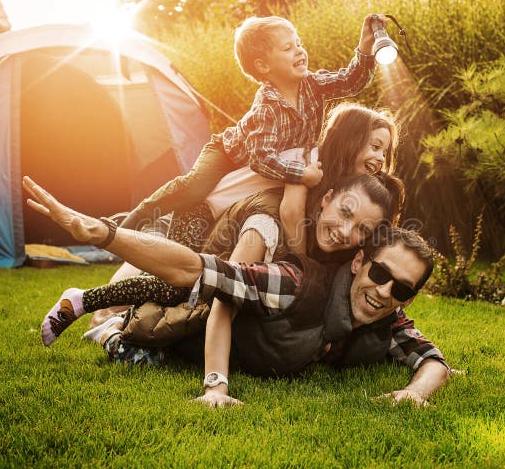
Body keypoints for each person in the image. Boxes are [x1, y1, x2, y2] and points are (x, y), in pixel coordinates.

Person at [23, 177, 450, 408]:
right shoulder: (292, 276)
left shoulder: (382, 313)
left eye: (401, 288)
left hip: (211, 284)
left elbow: (432, 360)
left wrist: (415, 393)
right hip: (193, 304)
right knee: (149, 332)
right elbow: (201, 270)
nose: (384, 290)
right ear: (361, 263)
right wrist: (106, 233)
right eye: (380, 273)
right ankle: (103, 316)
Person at [91, 102, 399, 325]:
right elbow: (291, 212)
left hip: (233, 218)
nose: (379, 158)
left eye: (384, 152)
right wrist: (301, 265)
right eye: (374, 146)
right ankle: (103, 310)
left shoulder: (339, 184)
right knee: (168, 265)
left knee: (178, 269)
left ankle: (110, 308)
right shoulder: (309, 159)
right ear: (350, 139)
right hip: (212, 207)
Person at [118, 14, 383, 243]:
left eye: (299, 44)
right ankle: (135, 217)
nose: (300, 51)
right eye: (288, 48)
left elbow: (350, 82)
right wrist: (301, 174)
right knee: (196, 188)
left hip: (270, 159)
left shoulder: (313, 85)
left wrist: (365, 48)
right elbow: (261, 158)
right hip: (227, 153)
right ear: (263, 66)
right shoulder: (267, 106)